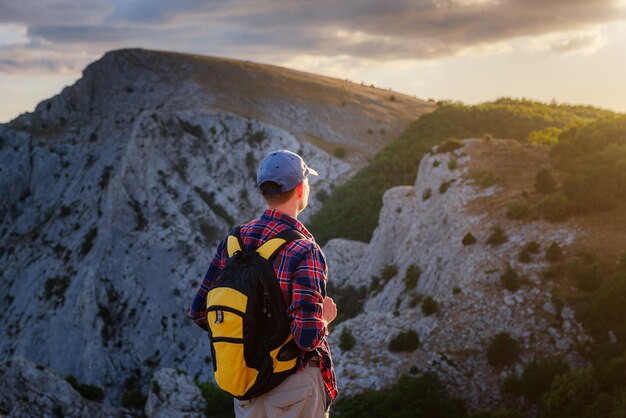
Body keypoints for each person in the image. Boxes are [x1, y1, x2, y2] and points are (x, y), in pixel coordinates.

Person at [189, 149, 338, 418]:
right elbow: (307, 337)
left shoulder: (234, 242)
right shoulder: (304, 250)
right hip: (295, 392)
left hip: (247, 389)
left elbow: (201, 312)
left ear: (264, 191)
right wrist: (325, 319)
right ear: (301, 188)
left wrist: (252, 341)